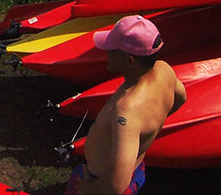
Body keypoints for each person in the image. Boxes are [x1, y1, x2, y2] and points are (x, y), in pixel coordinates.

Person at [65, 15, 187, 195]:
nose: (106, 52)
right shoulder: (164, 69)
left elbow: (116, 185)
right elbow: (181, 98)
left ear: (130, 60)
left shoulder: (127, 112)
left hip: (101, 183)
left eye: (112, 49)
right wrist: (148, 128)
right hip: (135, 169)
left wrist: (88, 190)